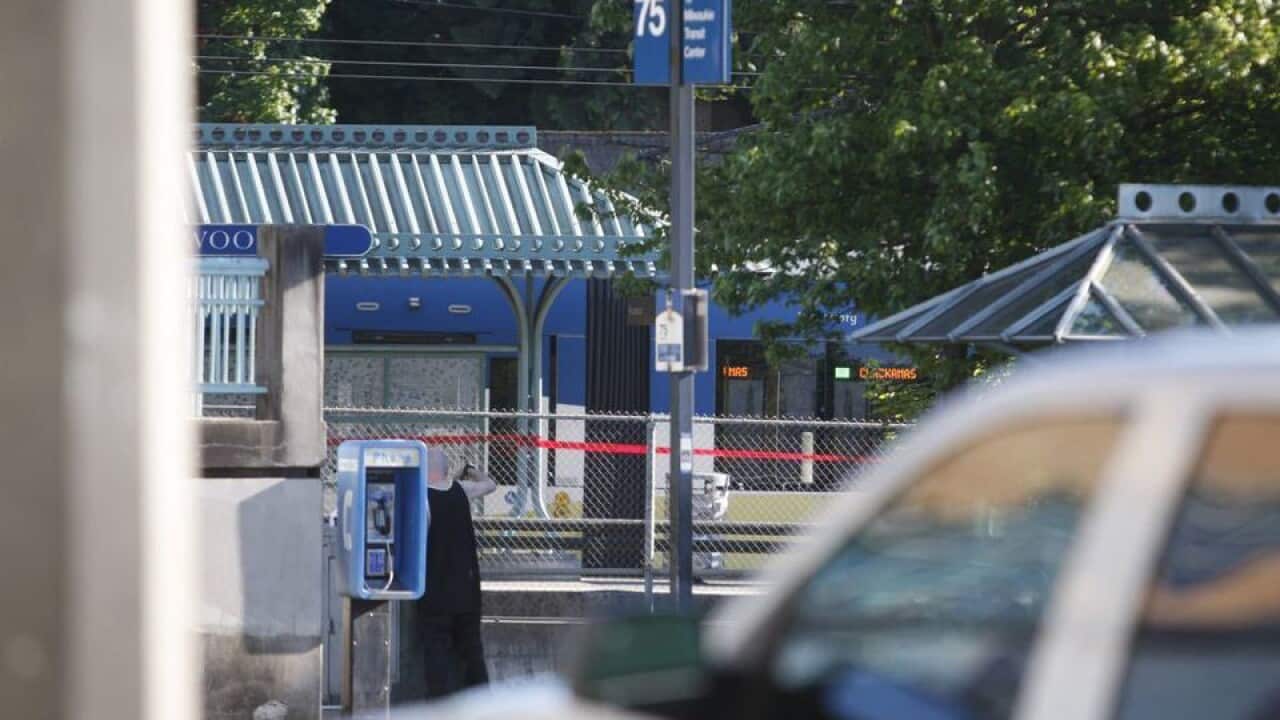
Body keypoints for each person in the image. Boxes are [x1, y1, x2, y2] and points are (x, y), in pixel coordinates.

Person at [419, 448, 497, 699]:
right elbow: (490, 484)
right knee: (473, 654)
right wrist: (470, 470)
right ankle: (482, 705)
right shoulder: (461, 491)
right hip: (467, 590)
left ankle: (439, 706)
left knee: (436, 653)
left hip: (435, 590)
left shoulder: (421, 499)